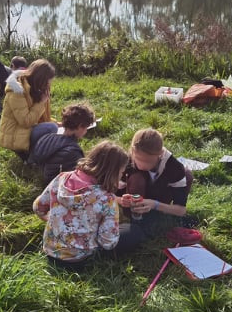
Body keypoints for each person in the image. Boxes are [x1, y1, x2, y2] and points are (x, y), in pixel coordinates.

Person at [33, 140, 142, 268]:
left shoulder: (62, 178)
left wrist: (58, 223)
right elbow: (108, 243)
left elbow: (37, 207)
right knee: (134, 232)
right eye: (121, 173)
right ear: (113, 173)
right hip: (80, 260)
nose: (121, 176)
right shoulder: (106, 199)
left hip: (50, 251)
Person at [118, 128, 192, 223]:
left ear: (160, 154)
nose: (141, 165)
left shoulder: (174, 167)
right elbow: (104, 193)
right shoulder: (127, 160)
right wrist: (121, 200)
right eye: (137, 159)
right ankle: (134, 218)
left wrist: (155, 205)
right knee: (137, 179)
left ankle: (153, 219)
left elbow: (181, 210)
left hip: (158, 202)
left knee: (187, 175)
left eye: (147, 161)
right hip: (131, 203)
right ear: (132, 151)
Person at [0, 59, 56, 156]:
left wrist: (60, 124)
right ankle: (31, 157)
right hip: (14, 136)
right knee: (51, 128)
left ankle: (33, 154)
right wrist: (41, 103)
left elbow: (40, 118)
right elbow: (26, 121)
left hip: (23, 132)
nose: (47, 86)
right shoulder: (16, 90)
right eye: (46, 83)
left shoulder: (33, 86)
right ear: (39, 79)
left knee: (53, 127)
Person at [28, 103, 95, 183]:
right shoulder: (74, 152)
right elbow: (76, 177)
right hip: (56, 185)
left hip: (37, 176)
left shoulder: (47, 137)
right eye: (86, 128)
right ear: (80, 126)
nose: (86, 131)